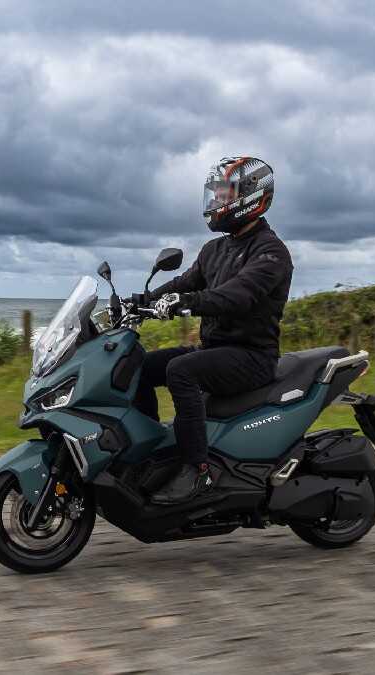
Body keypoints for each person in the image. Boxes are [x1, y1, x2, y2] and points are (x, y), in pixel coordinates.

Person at [137, 156, 293, 505]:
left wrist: (185, 302)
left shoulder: (271, 251)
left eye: (225, 194)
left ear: (251, 196)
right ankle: (151, 452)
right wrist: (140, 301)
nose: (217, 201)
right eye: (216, 194)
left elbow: (238, 296)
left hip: (252, 357)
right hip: (215, 350)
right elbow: (183, 282)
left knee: (181, 371)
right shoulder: (215, 249)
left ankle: (197, 470)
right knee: (140, 366)